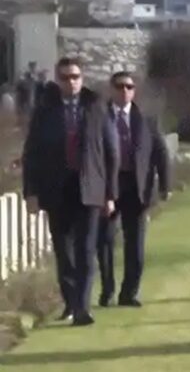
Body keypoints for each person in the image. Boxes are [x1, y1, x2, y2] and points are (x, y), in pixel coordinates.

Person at [22, 57, 119, 326]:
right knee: (65, 253)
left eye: (75, 76)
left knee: (86, 249)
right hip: (57, 190)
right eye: (65, 78)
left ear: (82, 78)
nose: (71, 82)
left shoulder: (96, 107)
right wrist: (31, 192)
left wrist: (110, 194)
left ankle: (83, 308)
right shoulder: (45, 110)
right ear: (57, 80)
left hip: (90, 189)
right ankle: (71, 302)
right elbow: (32, 154)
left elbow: (111, 152)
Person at [97, 71, 171, 308]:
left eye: (129, 87)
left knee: (135, 244)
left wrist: (165, 186)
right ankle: (107, 289)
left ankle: (129, 292)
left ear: (134, 91)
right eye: (120, 87)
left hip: (137, 188)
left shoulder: (146, 121)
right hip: (108, 186)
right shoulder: (99, 117)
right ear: (112, 89)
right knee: (105, 240)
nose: (125, 91)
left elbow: (161, 152)